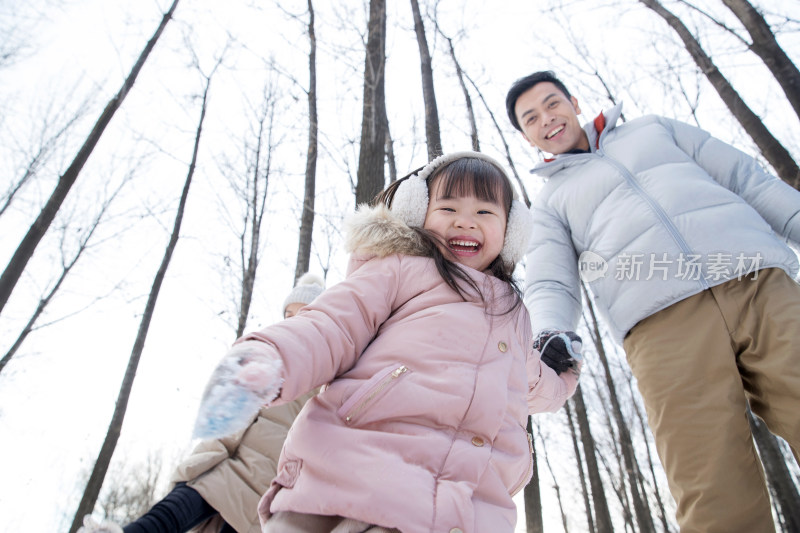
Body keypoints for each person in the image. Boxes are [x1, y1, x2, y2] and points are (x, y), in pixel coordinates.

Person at [190, 151, 581, 533]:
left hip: (468, 503)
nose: (466, 222)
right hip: (354, 471)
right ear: (419, 212)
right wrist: (270, 359)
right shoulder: (398, 272)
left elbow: (532, 383)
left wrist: (562, 377)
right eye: (448, 209)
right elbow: (331, 325)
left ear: (511, 231)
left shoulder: (515, 316)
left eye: (484, 212)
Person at [505, 70, 800, 533]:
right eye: (532, 118)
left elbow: (748, 179)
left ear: (575, 102)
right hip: (661, 326)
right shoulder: (550, 203)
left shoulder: (653, 129)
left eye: (552, 103)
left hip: (757, 281)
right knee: (710, 479)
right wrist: (551, 334)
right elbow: (551, 281)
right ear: (527, 137)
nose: (548, 119)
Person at [79, 273, 326, 533]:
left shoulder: (325, 377)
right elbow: (231, 421)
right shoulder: (269, 359)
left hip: (270, 494)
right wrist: (202, 461)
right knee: (164, 518)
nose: (293, 321)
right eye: (288, 315)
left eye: (303, 314)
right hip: (228, 469)